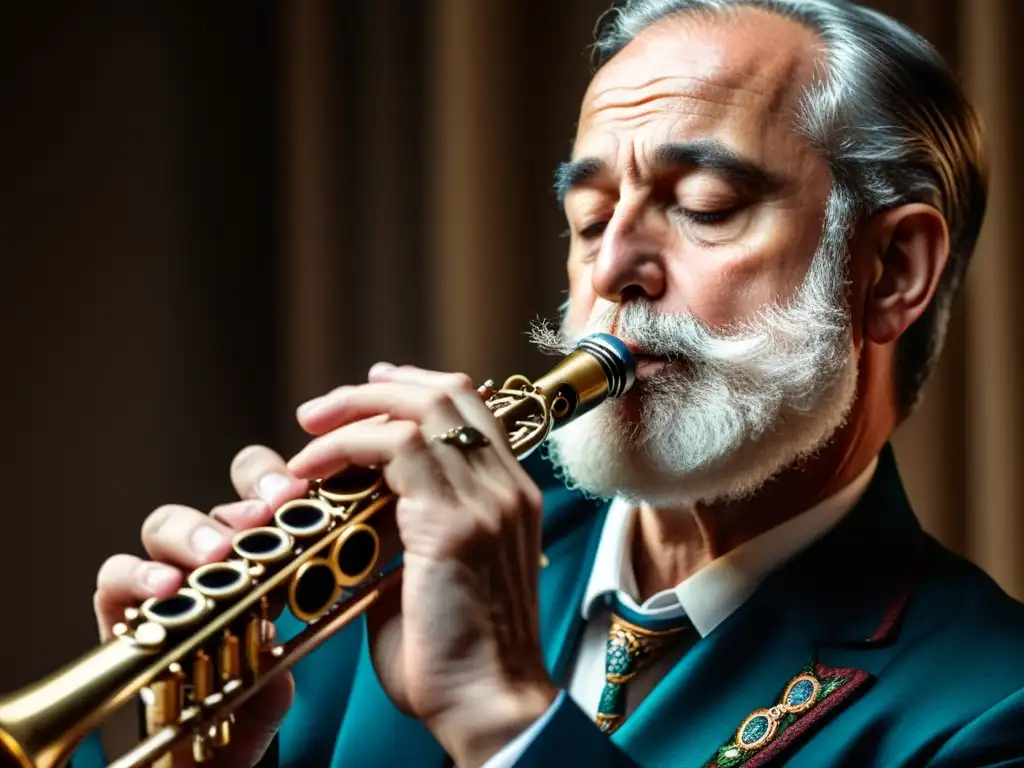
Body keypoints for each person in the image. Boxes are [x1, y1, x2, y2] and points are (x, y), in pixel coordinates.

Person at [74, 0, 1024, 766]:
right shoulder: (402, 548)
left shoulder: (989, 712)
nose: (613, 269)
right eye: (588, 214)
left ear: (892, 271)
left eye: (705, 207)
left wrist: (506, 718)